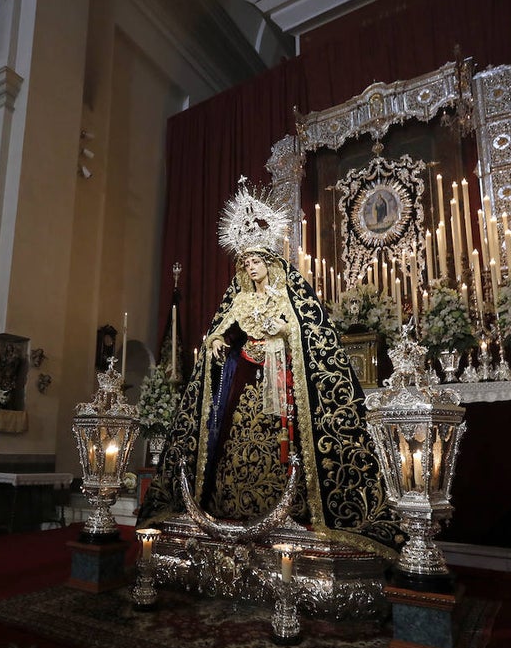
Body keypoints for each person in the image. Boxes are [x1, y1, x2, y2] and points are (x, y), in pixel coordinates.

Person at [139, 181, 402, 558]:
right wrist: (214, 342)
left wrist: (285, 330)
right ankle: (230, 506)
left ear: (270, 263)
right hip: (244, 385)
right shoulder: (242, 298)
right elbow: (221, 330)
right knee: (233, 443)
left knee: (286, 443)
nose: (251, 267)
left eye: (256, 261)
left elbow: (308, 332)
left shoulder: (287, 295)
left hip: (282, 387)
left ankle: (292, 507)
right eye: (246, 263)